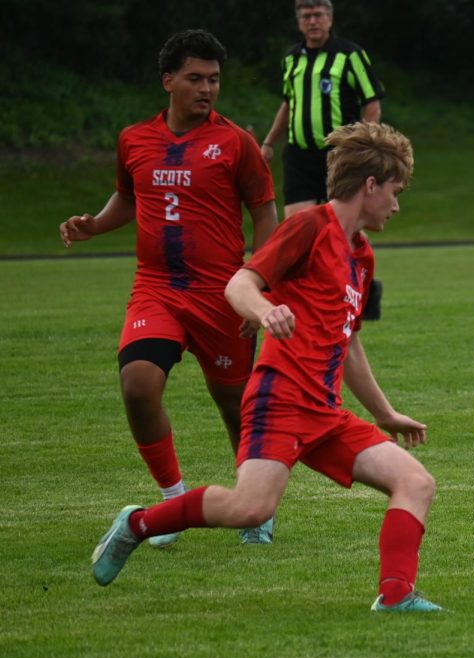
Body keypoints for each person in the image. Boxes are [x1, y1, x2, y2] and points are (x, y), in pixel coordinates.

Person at [91, 121, 444, 613]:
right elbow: (239, 285)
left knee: (416, 482)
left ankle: (396, 596)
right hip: (279, 400)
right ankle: (137, 525)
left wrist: (385, 414)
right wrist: (264, 311)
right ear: (370, 186)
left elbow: (351, 345)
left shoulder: (361, 257)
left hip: (324, 412)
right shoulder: (308, 227)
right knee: (251, 508)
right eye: (395, 191)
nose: (397, 204)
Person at [59, 30, 278, 547]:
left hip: (221, 294)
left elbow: (265, 212)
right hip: (156, 289)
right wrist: (94, 225)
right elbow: (129, 197)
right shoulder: (134, 139)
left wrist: (258, 284)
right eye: (196, 78)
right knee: (137, 384)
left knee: (235, 406)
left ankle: (255, 508)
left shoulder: (235, 144)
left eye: (215, 80)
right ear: (168, 81)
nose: (207, 89)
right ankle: (171, 497)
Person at [259, 0, 385, 218]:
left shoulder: (349, 55)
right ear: (299, 23)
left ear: (330, 19)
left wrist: (362, 145)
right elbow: (289, 103)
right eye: (306, 17)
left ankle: (352, 252)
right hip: (299, 157)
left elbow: (372, 103)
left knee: (344, 225)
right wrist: (269, 143)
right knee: (298, 226)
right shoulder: (292, 59)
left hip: (339, 155)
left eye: (318, 15)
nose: (313, 21)